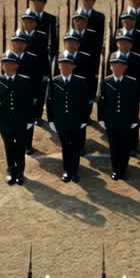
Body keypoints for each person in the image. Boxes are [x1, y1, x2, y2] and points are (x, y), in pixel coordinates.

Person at [46, 52, 92, 183]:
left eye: (68, 64)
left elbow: (86, 103)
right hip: (61, 121)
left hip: (76, 121)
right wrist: (51, 121)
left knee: (75, 147)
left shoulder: (81, 81)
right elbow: (49, 102)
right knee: (66, 146)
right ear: (59, 66)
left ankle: (75, 170)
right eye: (62, 64)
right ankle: (67, 170)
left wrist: (84, 120)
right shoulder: (54, 81)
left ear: (73, 66)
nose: (65, 67)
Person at [0, 51, 35, 185]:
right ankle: (11, 171)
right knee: (9, 147)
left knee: (20, 148)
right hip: (4, 121)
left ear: (16, 66)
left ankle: (20, 172)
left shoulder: (25, 81)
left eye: (11, 63)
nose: (7, 66)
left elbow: (29, 103)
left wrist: (29, 120)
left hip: (21, 121)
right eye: (5, 63)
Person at [96, 50, 140, 180]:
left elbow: (134, 103)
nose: (117, 67)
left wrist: (134, 120)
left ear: (125, 67)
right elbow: (101, 102)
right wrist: (101, 119)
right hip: (111, 121)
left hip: (126, 120)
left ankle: (123, 169)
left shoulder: (132, 82)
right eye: (114, 65)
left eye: (121, 65)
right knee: (114, 147)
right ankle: (116, 170)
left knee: (125, 147)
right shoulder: (106, 81)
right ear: (111, 67)